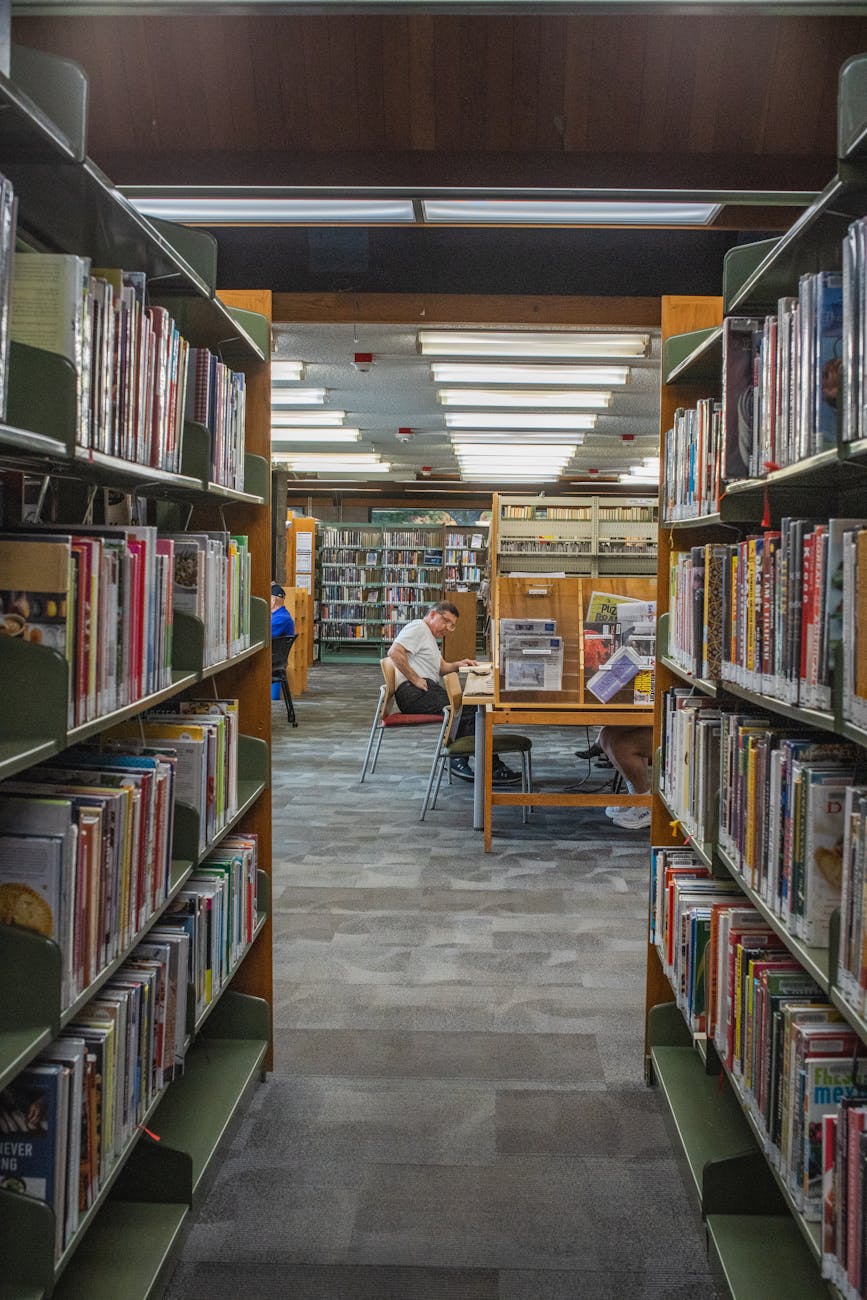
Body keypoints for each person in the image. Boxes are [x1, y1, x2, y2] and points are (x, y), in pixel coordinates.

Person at [388, 600, 519, 786]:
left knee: (470, 708)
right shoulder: (418, 627)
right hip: (414, 692)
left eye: (452, 625)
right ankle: (474, 763)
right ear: (432, 614)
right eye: (445, 621)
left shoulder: (429, 637)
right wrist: (415, 678)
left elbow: (441, 668)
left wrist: (458, 665)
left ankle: (475, 761)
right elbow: (394, 652)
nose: (448, 628)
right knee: (466, 711)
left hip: (423, 689)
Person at [597, 725, 652, 830]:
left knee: (623, 746)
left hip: (672, 724)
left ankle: (645, 807)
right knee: (606, 734)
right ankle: (636, 797)